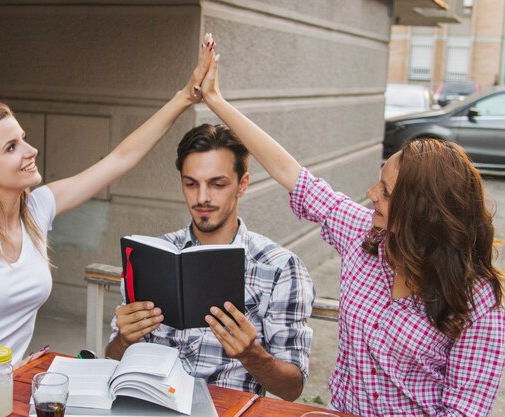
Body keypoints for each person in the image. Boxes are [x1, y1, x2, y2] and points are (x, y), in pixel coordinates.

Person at [0, 34, 216, 417]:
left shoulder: (37, 211)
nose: (31, 151)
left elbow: (119, 159)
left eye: (22, 139)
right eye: (11, 148)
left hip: (1, 389)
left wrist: (185, 97)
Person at [197, 47, 505, 416]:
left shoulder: (478, 302)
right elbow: (292, 174)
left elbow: (463, 412)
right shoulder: (364, 236)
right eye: (379, 182)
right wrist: (216, 100)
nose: (372, 195)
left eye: (387, 193)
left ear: (424, 215)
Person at [105, 122, 315, 401]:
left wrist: (250, 354)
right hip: (152, 405)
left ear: (242, 185)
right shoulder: (153, 255)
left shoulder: (280, 268)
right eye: (191, 184)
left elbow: (293, 388)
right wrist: (125, 339)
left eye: (217, 184)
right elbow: (112, 356)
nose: (202, 198)